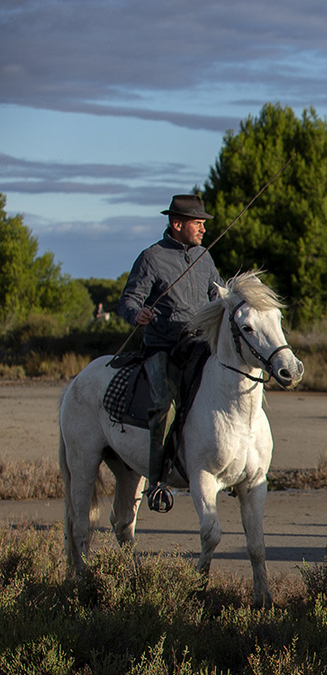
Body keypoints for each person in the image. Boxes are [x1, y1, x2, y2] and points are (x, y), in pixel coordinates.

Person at [118, 194, 223, 511]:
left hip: (198, 345)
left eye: (204, 223)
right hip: (162, 346)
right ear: (177, 224)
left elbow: (219, 293)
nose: (203, 228)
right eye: (197, 223)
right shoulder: (151, 257)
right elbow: (129, 299)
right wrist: (137, 315)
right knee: (162, 403)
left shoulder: (205, 257)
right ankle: (156, 481)